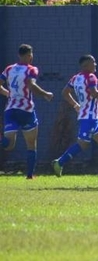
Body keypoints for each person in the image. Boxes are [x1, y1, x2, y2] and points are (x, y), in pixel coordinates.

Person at [52, 55, 98, 177]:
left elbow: (64, 93)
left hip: (92, 117)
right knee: (82, 144)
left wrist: (75, 104)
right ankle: (59, 163)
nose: (96, 65)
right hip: (88, 117)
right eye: (94, 63)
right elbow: (94, 93)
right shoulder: (91, 77)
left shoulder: (75, 78)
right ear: (86, 65)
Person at [0, 44, 54, 179]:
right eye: (31, 55)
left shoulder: (9, 69)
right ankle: (30, 175)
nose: (31, 57)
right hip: (26, 110)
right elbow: (31, 85)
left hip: (11, 110)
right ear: (29, 55)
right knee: (31, 143)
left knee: (9, 145)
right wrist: (45, 94)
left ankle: (30, 175)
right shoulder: (31, 69)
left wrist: (8, 93)